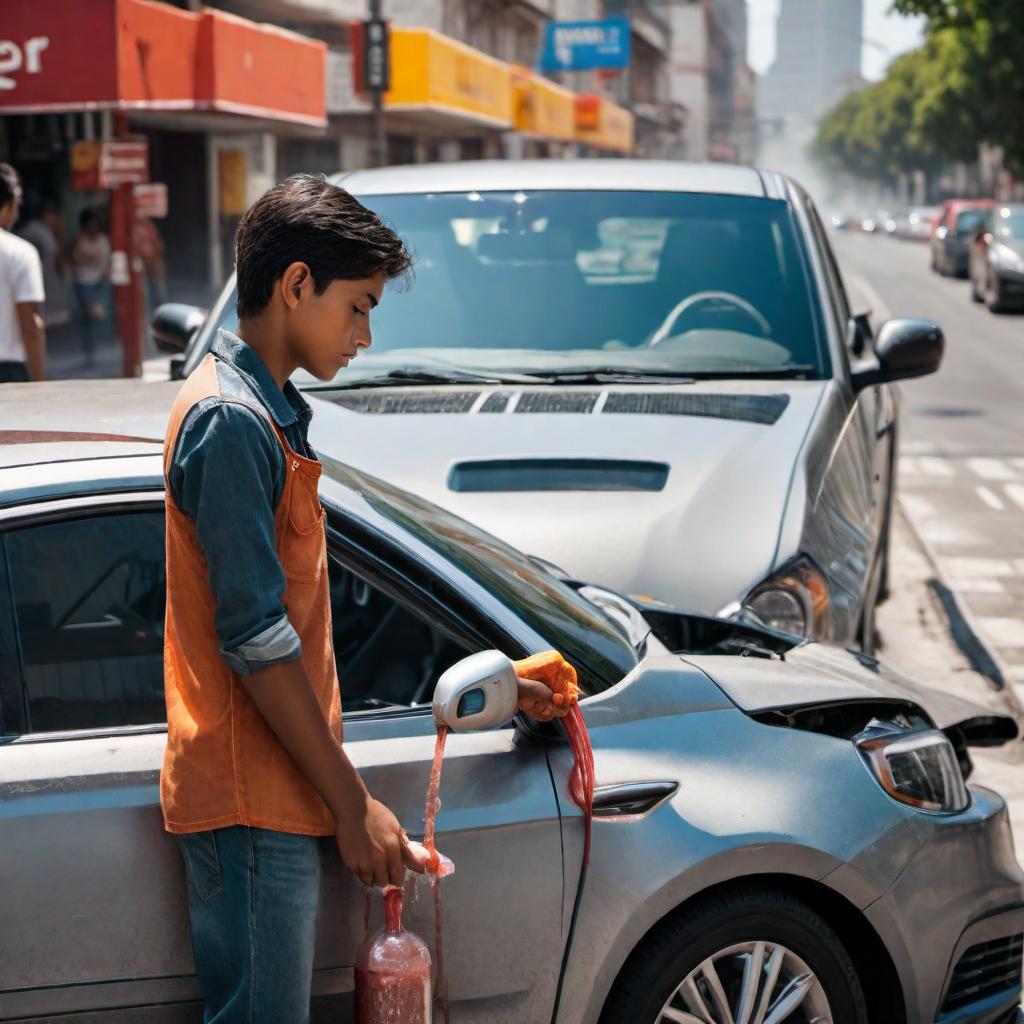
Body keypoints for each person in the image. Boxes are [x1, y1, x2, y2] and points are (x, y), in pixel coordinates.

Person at [162, 174, 565, 1023]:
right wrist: (353, 806)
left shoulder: (268, 415)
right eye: (357, 306)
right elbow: (258, 641)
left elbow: (320, 615)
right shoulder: (232, 423)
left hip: (271, 790)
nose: (365, 335)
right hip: (249, 798)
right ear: (297, 284)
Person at [0, 164, 46, 382]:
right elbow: (30, 327)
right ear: (8, 206)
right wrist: (40, 383)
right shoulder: (19, 253)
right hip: (8, 373)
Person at [20, 198, 69, 328]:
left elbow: (58, 257)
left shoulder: (49, 231)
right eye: (53, 215)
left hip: (50, 283)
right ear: (45, 214)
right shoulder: (33, 231)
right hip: (38, 283)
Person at [70, 208, 111, 364]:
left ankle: (97, 352)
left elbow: (105, 263)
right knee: (86, 320)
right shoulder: (79, 241)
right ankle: (89, 353)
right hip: (83, 285)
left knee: (98, 318)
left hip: (100, 284)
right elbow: (74, 260)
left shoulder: (103, 241)